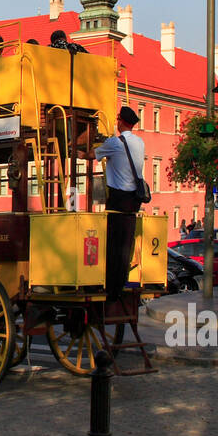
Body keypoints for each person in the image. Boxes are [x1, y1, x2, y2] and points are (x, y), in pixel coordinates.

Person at [94, 106, 146, 302]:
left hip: (117, 199)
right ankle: (119, 285)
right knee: (125, 246)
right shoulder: (140, 143)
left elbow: (93, 155)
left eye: (117, 119)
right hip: (134, 202)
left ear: (121, 122)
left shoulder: (115, 143)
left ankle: (110, 287)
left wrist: (78, 153)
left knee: (112, 246)